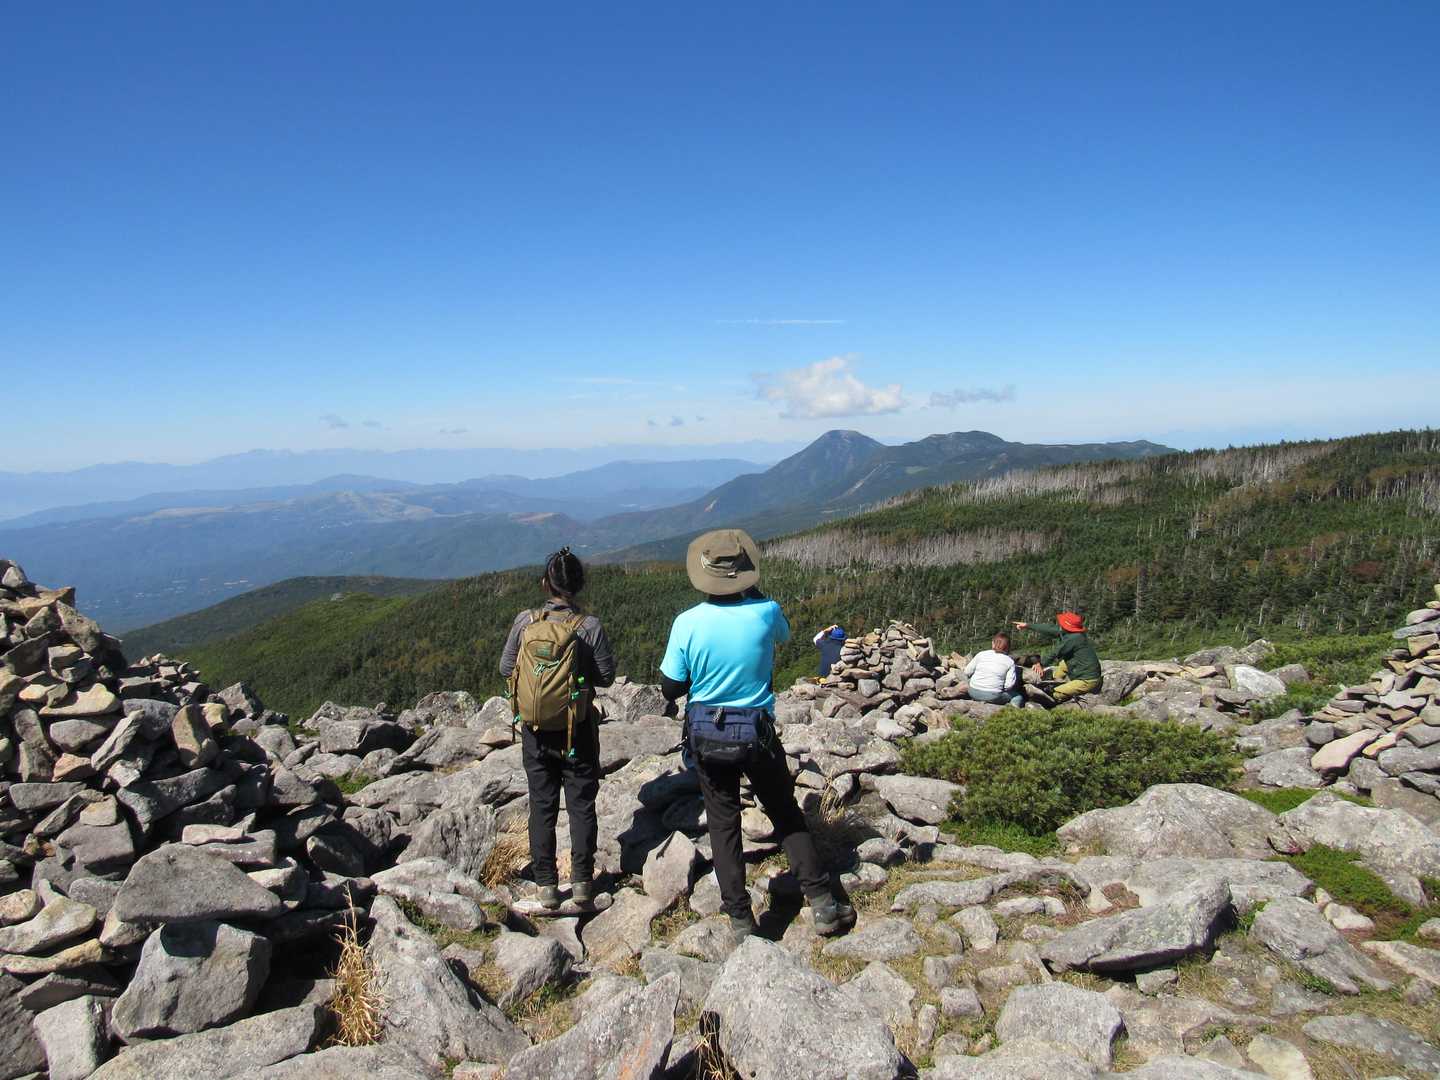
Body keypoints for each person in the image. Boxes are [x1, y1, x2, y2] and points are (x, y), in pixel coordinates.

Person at [660, 528, 855, 944]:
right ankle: (822, 901)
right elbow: (783, 634)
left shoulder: (687, 622)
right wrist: (754, 591)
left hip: (707, 734)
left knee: (723, 822)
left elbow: (670, 688)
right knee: (784, 811)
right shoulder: (766, 611)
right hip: (758, 733)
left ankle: (740, 918)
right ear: (744, 574)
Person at [500, 547, 615, 910]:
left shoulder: (526, 621)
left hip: (535, 729)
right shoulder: (589, 626)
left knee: (542, 805)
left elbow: (506, 668)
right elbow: (607, 677)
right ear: (579, 584)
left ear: (545, 583)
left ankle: (546, 886)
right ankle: (582, 883)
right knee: (581, 805)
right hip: (576, 729)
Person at [1012, 611, 1103, 703]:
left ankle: (1057, 693)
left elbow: (1055, 653)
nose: (1060, 625)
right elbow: (1049, 628)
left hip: (1087, 679)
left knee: (1054, 693)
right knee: (1063, 665)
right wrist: (1027, 625)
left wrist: (1040, 664)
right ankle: (1055, 680)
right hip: (1080, 667)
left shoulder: (1074, 638)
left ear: (1067, 626)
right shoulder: (1069, 632)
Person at [964, 631, 1024, 707]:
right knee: (1017, 697)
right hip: (993, 696)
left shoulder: (981, 654)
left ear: (993, 644)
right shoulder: (1009, 661)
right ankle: (1011, 710)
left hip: (972, 692)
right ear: (1008, 647)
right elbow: (1009, 685)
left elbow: (967, 672)